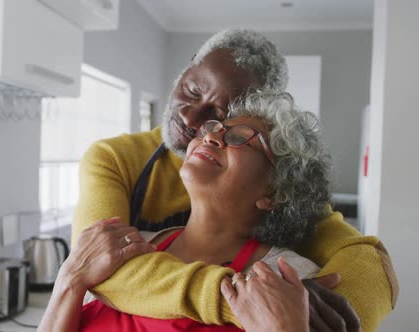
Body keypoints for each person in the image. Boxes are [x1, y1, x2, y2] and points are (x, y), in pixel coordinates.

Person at [72, 30, 398, 331]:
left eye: (223, 117)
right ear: (188, 68)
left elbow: (368, 262)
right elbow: (100, 267)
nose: (191, 118)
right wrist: (240, 299)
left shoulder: (276, 193)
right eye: (192, 90)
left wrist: (309, 318)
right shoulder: (116, 158)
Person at [39, 91, 328, 331]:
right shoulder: (123, 247)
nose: (211, 138)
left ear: (274, 192)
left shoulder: (289, 276)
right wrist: (69, 280)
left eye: (240, 138)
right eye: (215, 128)